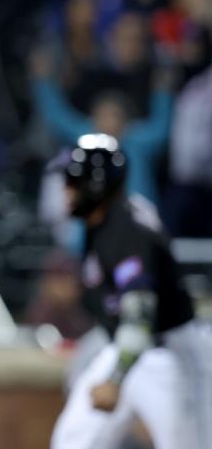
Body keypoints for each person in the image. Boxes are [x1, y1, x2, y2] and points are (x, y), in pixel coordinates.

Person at [50, 133, 211, 449]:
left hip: (171, 357)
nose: (65, 191)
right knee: (73, 441)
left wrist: (114, 380)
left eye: (73, 182)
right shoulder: (109, 220)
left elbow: (140, 313)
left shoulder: (125, 232)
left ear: (96, 185)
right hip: (127, 348)